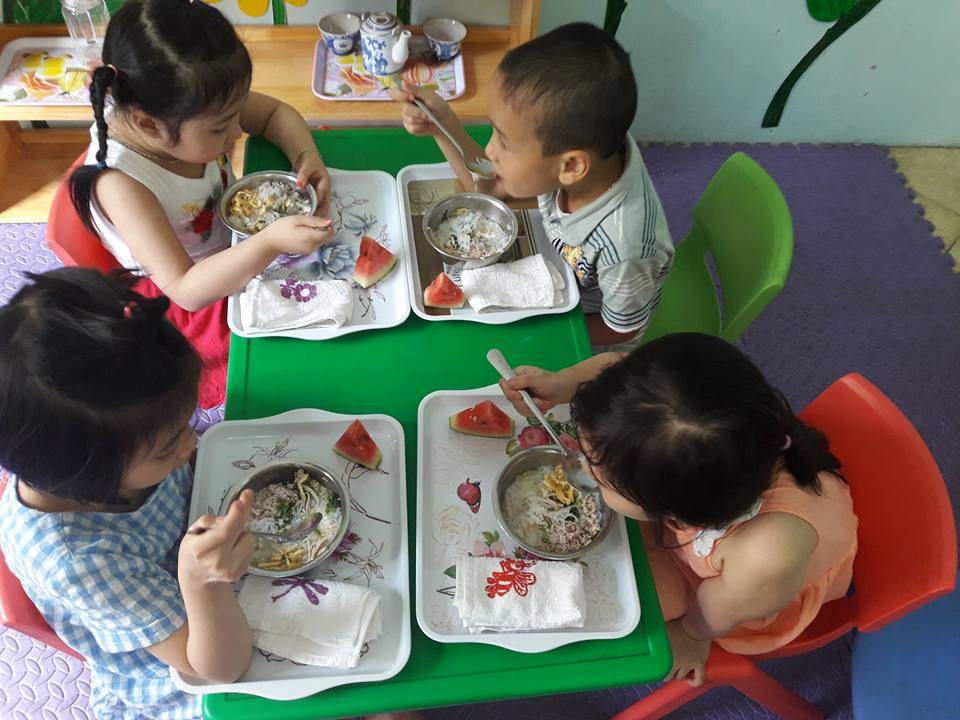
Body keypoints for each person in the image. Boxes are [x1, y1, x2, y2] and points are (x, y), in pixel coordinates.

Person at [499, 333, 858, 686]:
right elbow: (621, 368)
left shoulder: (765, 556)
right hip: (721, 508)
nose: (582, 467)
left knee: (607, 603)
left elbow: (719, 609)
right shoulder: (676, 408)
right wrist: (564, 382)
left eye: (602, 479)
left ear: (675, 514)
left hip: (742, 589)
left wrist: (691, 634)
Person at [0, 268, 256, 719]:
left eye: (186, 424)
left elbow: (185, 454)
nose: (191, 443)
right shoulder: (78, 561)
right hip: (184, 662)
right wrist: (203, 584)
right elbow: (218, 670)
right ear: (89, 478)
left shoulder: (120, 444)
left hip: (203, 556)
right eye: (168, 447)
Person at [69, 0, 334, 408]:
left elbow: (274, 113)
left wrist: (305, 156)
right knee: (298, 349)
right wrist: (269, 243)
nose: (237, 132)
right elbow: (186, 290)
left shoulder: (189, 105)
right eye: (222, 127)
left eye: (235, 116)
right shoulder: (121, 186)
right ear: (148, 125)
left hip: (232, 245)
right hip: (191, 291)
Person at [391, 23, 673, 351]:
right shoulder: (587, 155)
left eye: (504, 142)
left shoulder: (625, 249)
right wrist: (443, 126)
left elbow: (620, 330)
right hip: (561, 272)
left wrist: (542, 330)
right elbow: (489, 191)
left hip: (590, 332)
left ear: (570, 167)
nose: (490, 150)